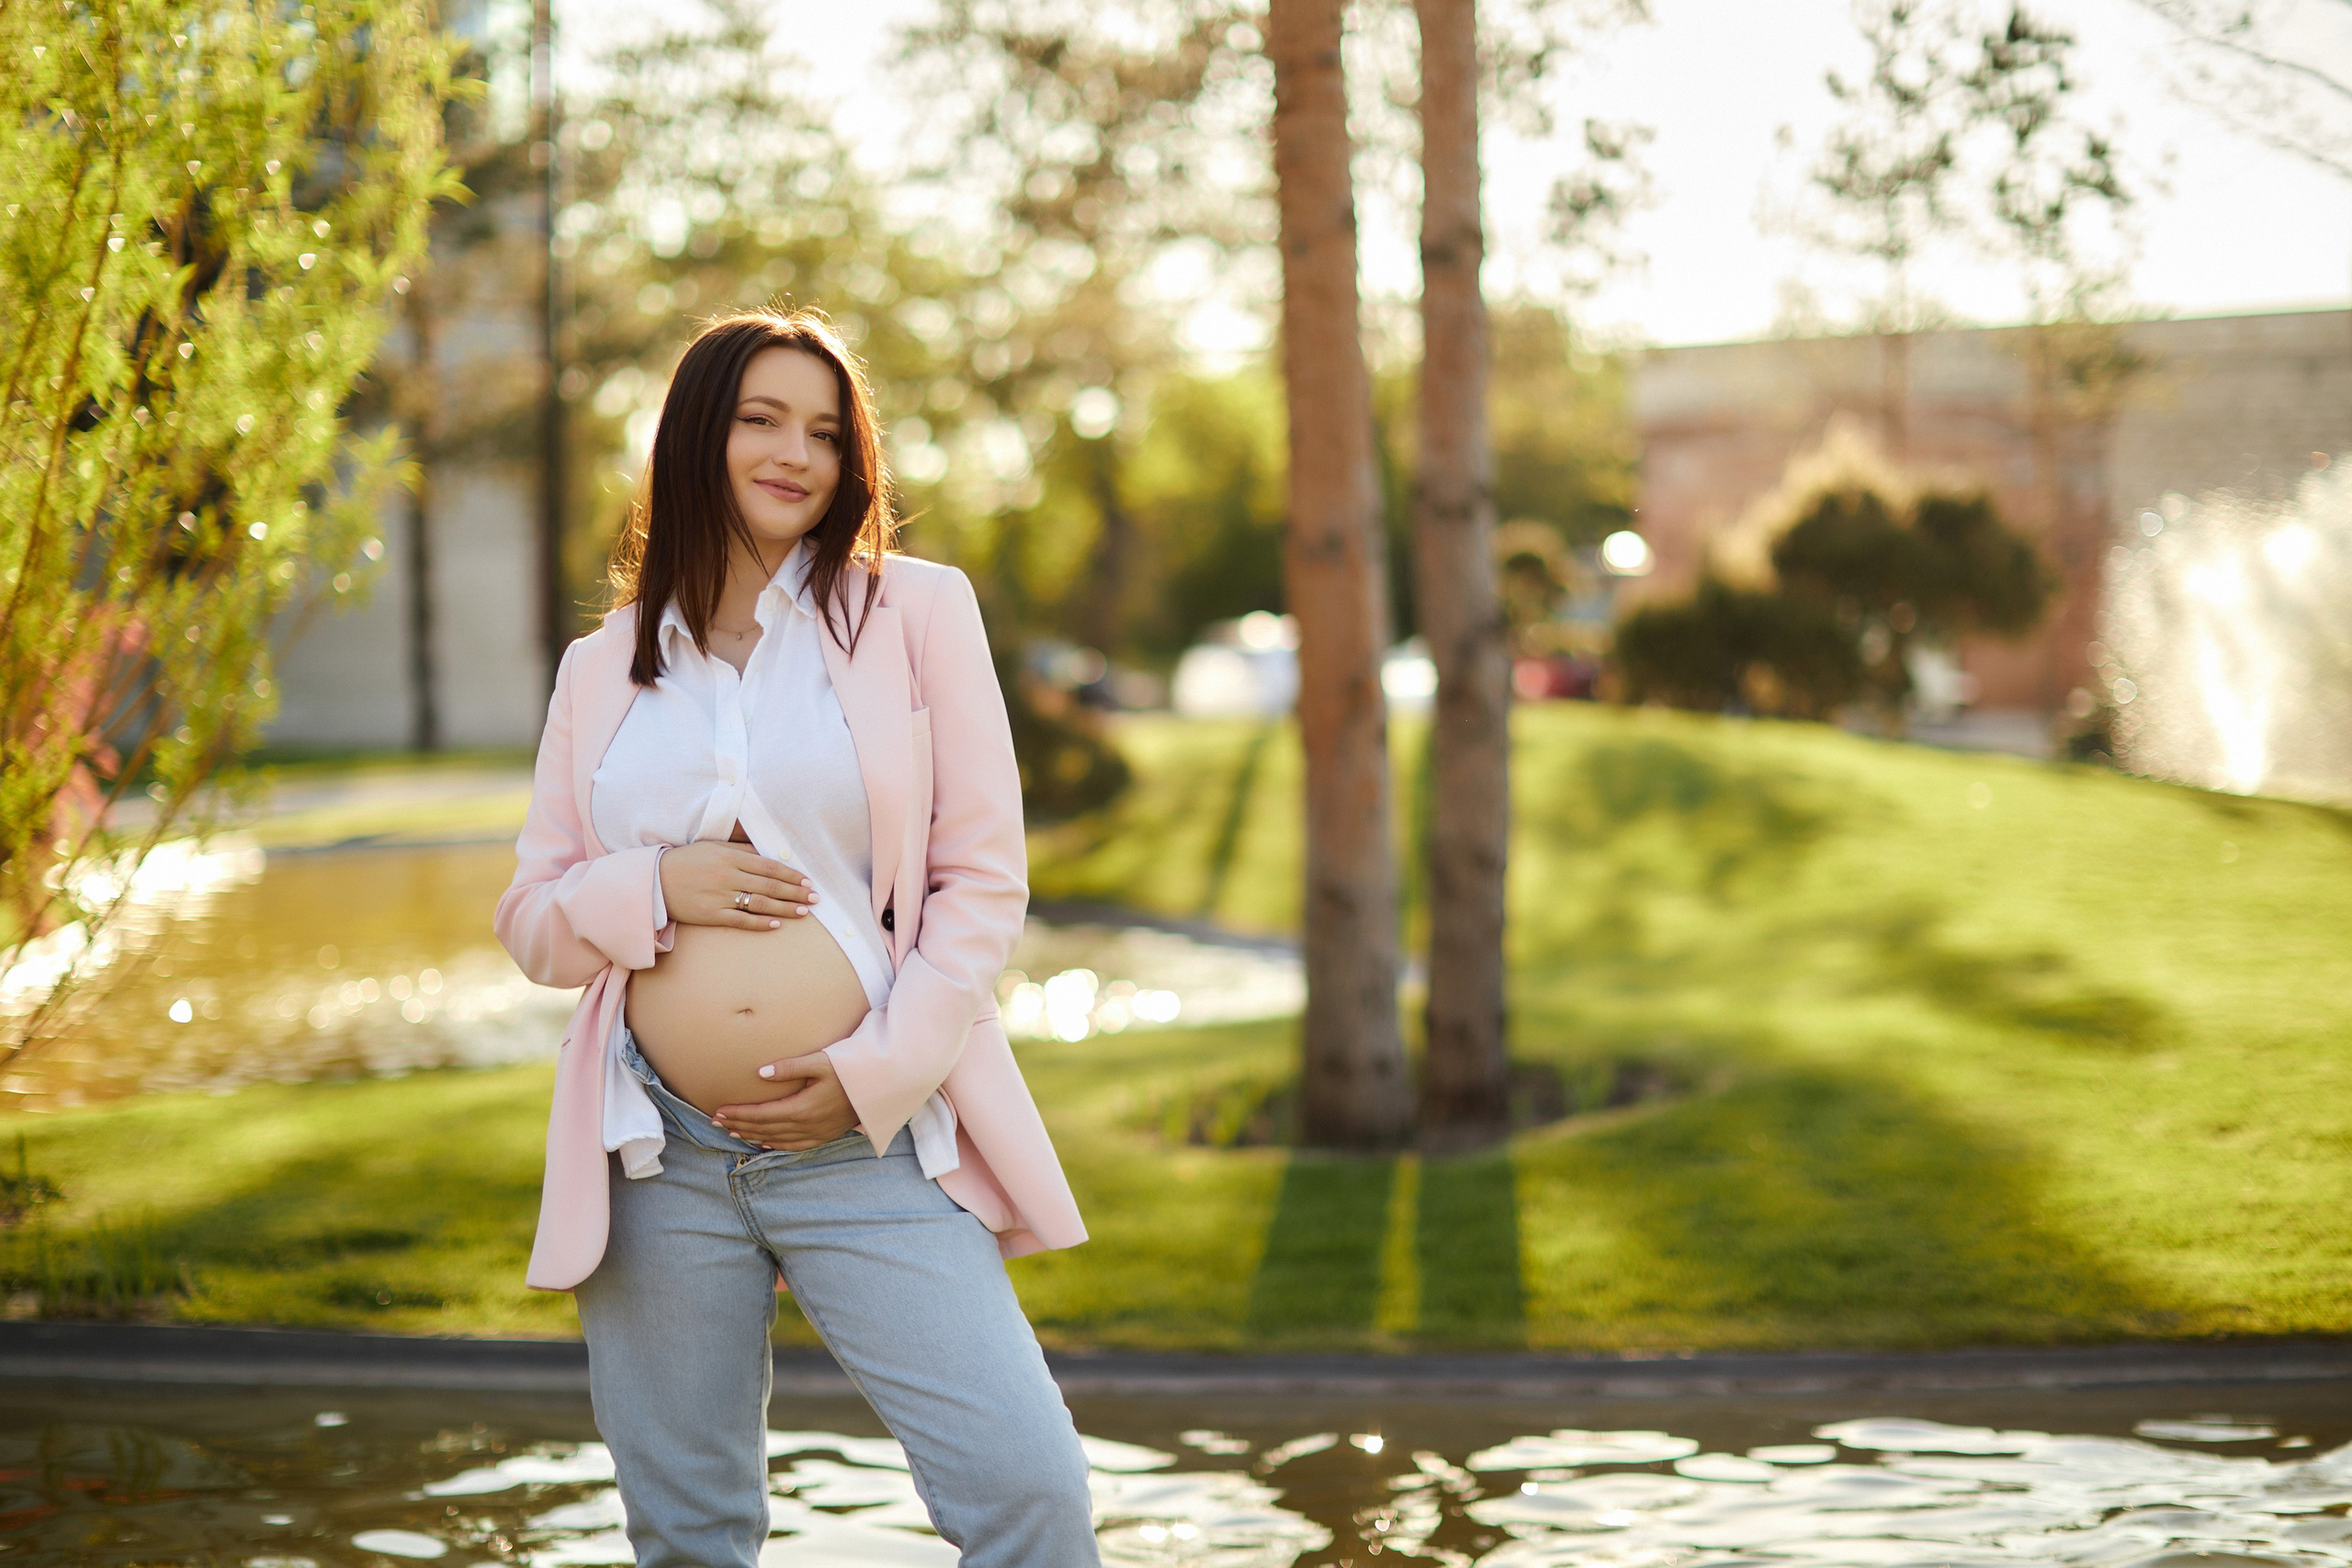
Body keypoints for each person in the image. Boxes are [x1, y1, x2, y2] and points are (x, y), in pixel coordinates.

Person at [494, 309, 1098, 1568]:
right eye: (762, 419)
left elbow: (979, 885)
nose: (796, 453)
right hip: (656, 1153)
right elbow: (535, 924)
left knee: (1028, 1494)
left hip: (866, 1143)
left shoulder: (916, 614)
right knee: (691, 1537)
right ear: (696, 436)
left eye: (826, 431)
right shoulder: (600, 667)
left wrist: (875, 1078)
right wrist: (655, 884)